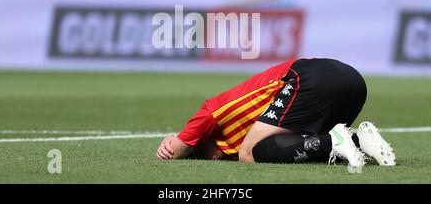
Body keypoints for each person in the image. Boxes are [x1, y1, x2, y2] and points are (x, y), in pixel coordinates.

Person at [156, 58, 396, 169]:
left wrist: (173, 141)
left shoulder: (207, 115)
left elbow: (174, 151)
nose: (214, 157)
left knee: (248, 153)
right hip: (353, 81)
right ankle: (358, 140)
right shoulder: (232, 141)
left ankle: (335, 141)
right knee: (292, 148)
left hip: (310, 78)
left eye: (202, 152)